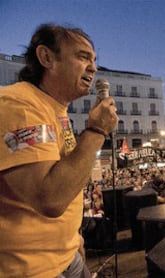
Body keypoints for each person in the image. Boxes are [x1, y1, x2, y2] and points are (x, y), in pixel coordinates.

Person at [0, 24, 118, 277]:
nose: (94, 68)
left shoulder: (56, 110)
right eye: (83, 56)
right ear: (46, 58)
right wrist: (97, 131)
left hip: (65, 256)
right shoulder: (19, 104)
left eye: (94, 60)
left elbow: (67, 177)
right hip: (31, 269)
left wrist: (74, 240)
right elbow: (50, 197)